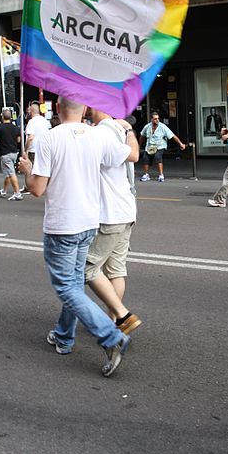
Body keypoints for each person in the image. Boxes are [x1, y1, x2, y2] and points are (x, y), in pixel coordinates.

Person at [18, 97, 139, 377]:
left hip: (62, 225)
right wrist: (127, 129)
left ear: (57, 110)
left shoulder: (48, 139)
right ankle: (63, 337)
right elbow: (130, 156)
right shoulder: (97, 137)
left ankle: (113, 336)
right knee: (73, 283)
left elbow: (37, 189)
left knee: (67, 288)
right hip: (88, 223)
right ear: (84, 109)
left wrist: (26, 171)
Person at [84, 108, 141, 335]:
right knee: (115, 270)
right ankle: (115, 322)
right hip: (126, 210)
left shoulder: (100, 134)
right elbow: (134, 152)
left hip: (110, 214)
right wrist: (129, 129)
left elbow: (134, 156)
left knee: (87, 269)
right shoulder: (121, 129)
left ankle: (122, 315)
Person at [0, 109, 23, 201]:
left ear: (2, 117)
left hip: (5, 154)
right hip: (14, 153)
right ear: (11, 117)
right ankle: (4, 191)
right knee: (7, 173)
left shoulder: (0, 127)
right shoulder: (15, 128)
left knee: (11, 173)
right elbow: (19, 140)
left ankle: (17, 193)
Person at [139, 112, 186, 182]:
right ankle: (146, 175)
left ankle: (161, 175)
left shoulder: (163, 127)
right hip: (150, 146)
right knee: (146, 157)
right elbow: (142, 137)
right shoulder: (147, 127)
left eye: (158, 119)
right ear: (151, 119)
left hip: (160, 146)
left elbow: (173, 136)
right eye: (155, 119)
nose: (157, 120)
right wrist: (139, 146)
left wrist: (180, 143)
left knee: (157, 156)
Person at [20, 103, 49, 195]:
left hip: (33, 149)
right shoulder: (44, 121)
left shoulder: (32, 122)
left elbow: (31, 137)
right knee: (41, 169)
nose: (27, 113)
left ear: (31, 111)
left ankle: (30, 187)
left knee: (30, 169)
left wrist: (25, 149)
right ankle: (42, 186)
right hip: (43, 149)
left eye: (28, 111)